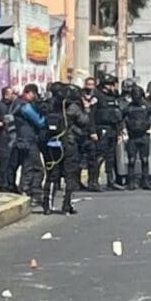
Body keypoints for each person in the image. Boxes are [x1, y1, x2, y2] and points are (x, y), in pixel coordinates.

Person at [42, 83, 90, 215]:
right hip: (69, 143)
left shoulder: (47, 105)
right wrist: (86, 108)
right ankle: (66, 205)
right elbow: (84, 120)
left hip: (52, 144)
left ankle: (47, 205)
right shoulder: (72, 107)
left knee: (52, 175)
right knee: (70, 175)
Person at [7, 84, 46, 203]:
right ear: (29, 93)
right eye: (34, 95)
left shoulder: (16, 103)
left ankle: (25, 191)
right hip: (27, 140)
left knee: (27, 166)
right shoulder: (25, 106)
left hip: (20, 140)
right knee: (36, 168)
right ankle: (32, 192)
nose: (34, 97)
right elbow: (39, 122)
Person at [122, 85, 151, 190]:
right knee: (131, 160)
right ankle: (131, 182)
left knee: (145, 160)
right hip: (132, 136)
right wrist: (123, 129)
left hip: (144, 136)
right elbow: (119, 118)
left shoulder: (147, 106)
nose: (136, 97)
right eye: (134, 95)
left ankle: (145, 182)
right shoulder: (128, 107)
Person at [92, 76, 125, 190]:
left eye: (112, 84)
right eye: (108, 84)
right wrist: (92, 131)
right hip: (102, 128)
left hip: (113, 128)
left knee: (110, 156)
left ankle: (111, 180)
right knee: (100, 155)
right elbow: (91, 114)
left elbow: (117, 113)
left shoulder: (114, 96)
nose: (111, 86)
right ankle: (94, 181)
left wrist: (120, 130)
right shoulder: (97, 96)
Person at [78, 77, 100, 191]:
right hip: (80, 132)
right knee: (78, 159)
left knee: (93, 158)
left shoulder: (97, 97)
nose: (90, 87)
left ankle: (93, 182)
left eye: (92, 85)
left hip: (93, 131)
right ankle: (77, 182)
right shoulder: (79, 96)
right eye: (88, 84)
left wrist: (94, 131)